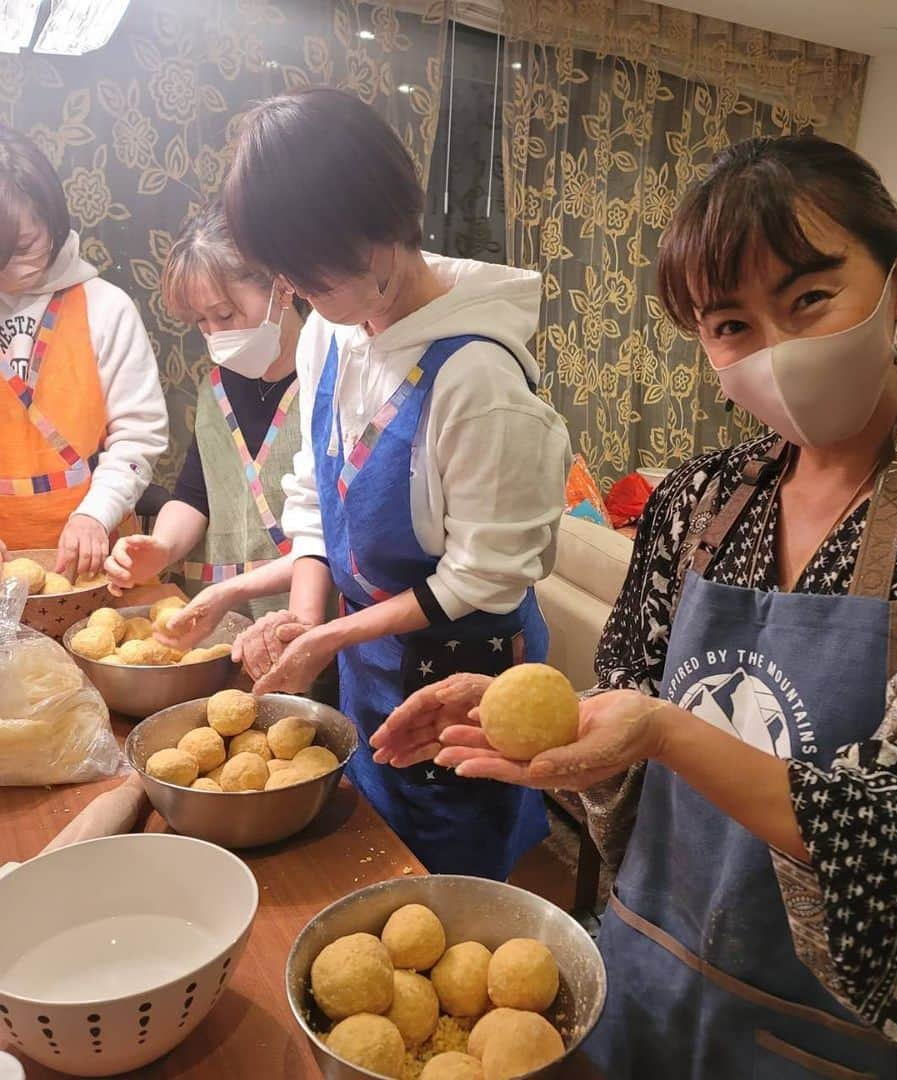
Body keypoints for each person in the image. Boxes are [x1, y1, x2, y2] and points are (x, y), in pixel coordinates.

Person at [373, 136, 897, 1078]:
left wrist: (662, 731)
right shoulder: (699, 502)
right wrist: (538, 722)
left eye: (809, 300)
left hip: (852, 1041)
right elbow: (624, 713)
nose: (777, 351)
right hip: (661, 980)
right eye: (732, 324)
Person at [222, 88, 572, 880]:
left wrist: (327, 638)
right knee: (361, 846)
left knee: (445, 877)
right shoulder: (332, 333)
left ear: (384, 229)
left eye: (312, 276)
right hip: (366, 659)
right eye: (290, 281)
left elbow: (484, 576)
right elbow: (316, 499)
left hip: (462, 668)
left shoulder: (479, 377)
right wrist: (301, 625)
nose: (301, 300)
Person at [104, 200, 306, 631]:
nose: (216, 334)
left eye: (225, 314)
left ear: (281, 286)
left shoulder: (331, 375)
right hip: (224, 623)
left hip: (312, 617)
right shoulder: (217, 388)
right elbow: (195, 495)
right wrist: (162, 547)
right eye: (201, 321)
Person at [0, 126, 167, 576]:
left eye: (25, 248)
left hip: (95, 555)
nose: (13, 271)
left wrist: (96, 513)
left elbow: (138, 432)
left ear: (52, 218)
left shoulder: (105, 307)